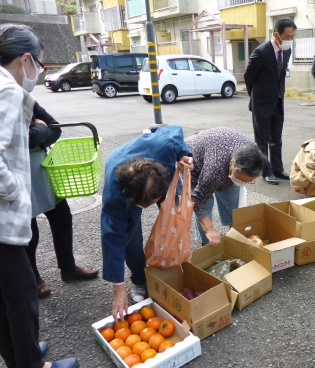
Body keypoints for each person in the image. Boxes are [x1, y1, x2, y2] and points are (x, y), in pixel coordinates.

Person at [0, 23, 79, 368]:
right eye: (40, 65)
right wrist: (15, 192)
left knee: (5, 299)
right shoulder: (8, 91)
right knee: (21, 298)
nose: (38, 73)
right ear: (27, 59)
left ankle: (21, 356)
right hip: (2, 219)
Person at [101, 125, 193, 321]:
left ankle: (170, 269)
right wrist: (118, 290)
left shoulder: (165, 146)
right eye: (143, 205)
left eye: (152, 202)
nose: (148, 208)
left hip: (154, 173)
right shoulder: (115, 197)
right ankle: (139, 280)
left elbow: (175, 131)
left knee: (173, 220)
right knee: (130, 240)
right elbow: (112, 242)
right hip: (122, 166)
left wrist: (184, 155)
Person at [27, 102, 98, 299]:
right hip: (16, 173)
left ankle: (68, 268)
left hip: (42, 167)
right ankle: (33, 277)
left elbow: (55, 128)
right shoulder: (6, 98)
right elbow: (27, 139)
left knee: (62, 217)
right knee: (28, 232)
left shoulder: (27, 99)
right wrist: (40, 128)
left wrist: (37, 133)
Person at [185, 127, 265, 246]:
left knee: (235, 209)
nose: (243, 183)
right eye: (241, 179)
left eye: (248, 181)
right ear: (231, 164)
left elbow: (242, 175)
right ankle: (207, 245)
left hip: (221, 156)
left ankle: (234, 238)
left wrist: (240, 179)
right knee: (205, 208)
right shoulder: (214, 169)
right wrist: (210, 229)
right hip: (196, 165)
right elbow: (198, 199)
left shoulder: (253, 153)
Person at [244, 18, 296, 185]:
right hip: (261, 103)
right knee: (262, 141)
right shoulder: (261, 52)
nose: (290, 40)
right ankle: (266, 171)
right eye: (288, 36)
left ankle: (278, 168)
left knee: (277, 139)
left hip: (278, 101)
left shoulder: (286, 51)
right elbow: (248, 77)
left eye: (292, 36)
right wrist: (257, 97)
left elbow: (281, 75)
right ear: (276, 34)